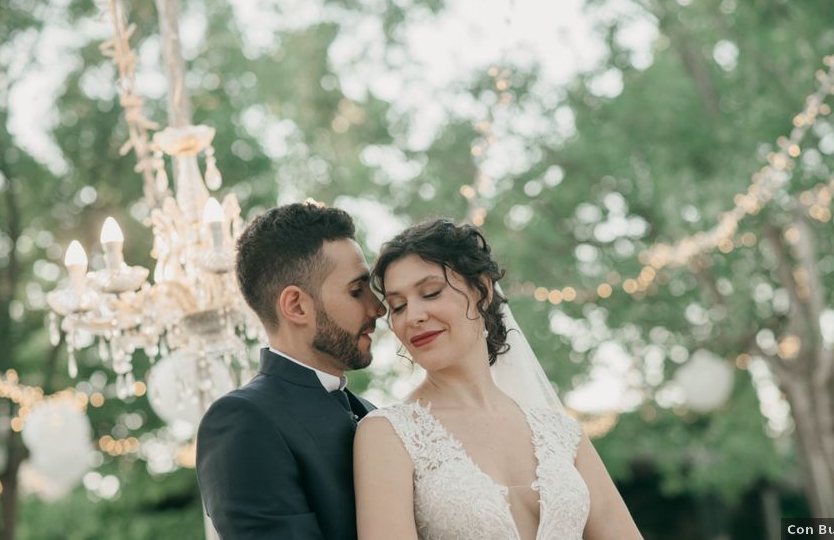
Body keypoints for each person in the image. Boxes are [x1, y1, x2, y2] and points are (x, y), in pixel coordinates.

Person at [354, 218, 642, 540]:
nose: (413, 316)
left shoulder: (561, 433)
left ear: (483, 289)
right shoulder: (388, 433)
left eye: (431, 293)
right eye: (398, 306)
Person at [196, 202, 385, 539]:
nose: (378, 308)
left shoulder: (371, 412)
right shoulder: (243, 419)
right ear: (297, 306)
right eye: (357, 291)